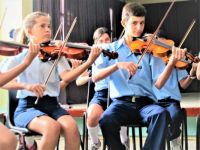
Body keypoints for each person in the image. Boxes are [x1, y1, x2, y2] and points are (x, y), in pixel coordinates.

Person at [91, 2, 186, 150]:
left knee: (161, 114)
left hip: (146, 103)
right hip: (121, 103)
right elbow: (95, 77)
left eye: (142, 23)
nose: (139, 28)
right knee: (106, 120)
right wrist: (117, 65)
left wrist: (172, 62)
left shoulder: (150, 49)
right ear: (123, 23)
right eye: (134, 23)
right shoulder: (109, 49)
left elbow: (159, 84)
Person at [0, 11, 101, 150]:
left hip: (53, 105)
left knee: (72, 128)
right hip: (27, 107)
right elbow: (3, 82)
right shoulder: (19, 55)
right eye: (42, 26)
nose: (48, 29)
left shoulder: (55, 54)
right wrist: (26, 86)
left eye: (49, 26)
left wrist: (89, 61)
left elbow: (67, 77)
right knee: (51, 127)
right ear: (30, 31)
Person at [76, 27, 129, 150]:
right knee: (92, 116)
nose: (105, 43)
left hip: (119, 92)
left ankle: (124, 141)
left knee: (122, 113)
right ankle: (95, 143)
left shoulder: (117, 53)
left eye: (107, 40)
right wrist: (91, 77)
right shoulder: (92, 59)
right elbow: (79, 81)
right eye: (101, 41)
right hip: (102, 94)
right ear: (96, 43)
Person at [0, 41, 39, 150]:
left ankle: (29, 143)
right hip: (25, 107)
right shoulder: (16, 58)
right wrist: (27, 61)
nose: (48, 30)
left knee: (9, 140)